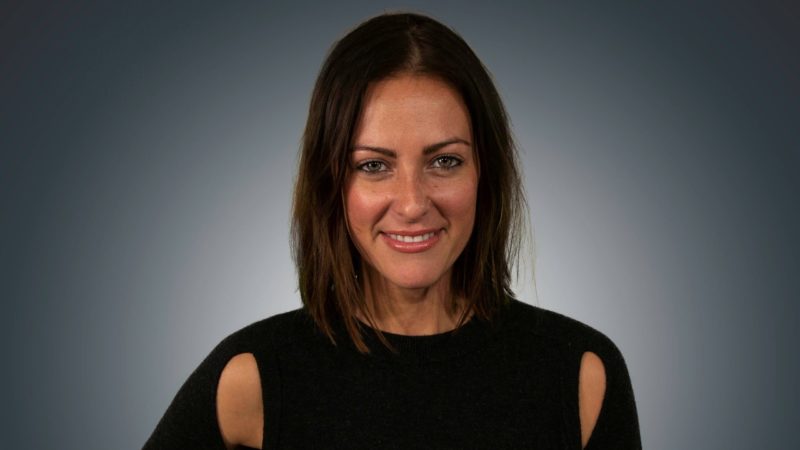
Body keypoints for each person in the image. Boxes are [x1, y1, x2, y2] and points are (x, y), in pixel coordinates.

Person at [144, 12, 641, 450]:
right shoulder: (252, 377)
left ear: (484, 173)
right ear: (331, 184)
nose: (412, 203)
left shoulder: (581, 376)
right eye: (373, 166)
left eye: (445, 161)